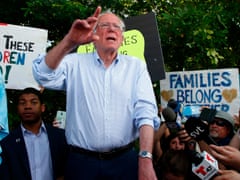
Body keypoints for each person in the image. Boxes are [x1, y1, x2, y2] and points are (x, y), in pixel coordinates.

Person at [32, 6, 160, 180]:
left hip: (124, 162)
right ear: (93, 36)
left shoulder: (136, 67)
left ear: (122, 38)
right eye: (105, 25)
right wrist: (69, 42)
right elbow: (42, 75)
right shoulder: (74, 63)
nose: (111, 29)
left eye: (117, 27)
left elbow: (146, 113)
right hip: (82, 164)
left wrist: (145, 158)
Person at [0, 87, 68, 180]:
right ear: (17, 108)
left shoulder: (59, 137)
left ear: (42, 107)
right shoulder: (8, 143)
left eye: (34, 102)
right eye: (23, 103)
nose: (28, 106)